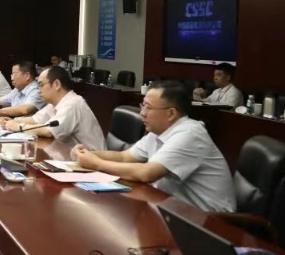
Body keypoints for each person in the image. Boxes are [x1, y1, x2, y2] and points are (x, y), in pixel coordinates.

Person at [73, 81, 235, 213]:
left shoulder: (190, 134)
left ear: (171, 113)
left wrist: (96, 164)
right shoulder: (158, 131)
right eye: (142, 105)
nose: (142, 113)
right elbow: (125, 157)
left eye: (148, 107)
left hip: (210, 220)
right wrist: (88, 154)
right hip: (174, 208)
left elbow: (147, 173)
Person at [0, 66, 104, 150]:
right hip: (71, 156)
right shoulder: (54, 103)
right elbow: (35, 120)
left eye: (41, 85)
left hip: (92, 162)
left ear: (56, 84)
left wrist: (18, 126)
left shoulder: (73, 104)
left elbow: (48, 131)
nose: (38, 90)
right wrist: (13, 121)